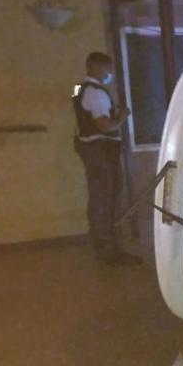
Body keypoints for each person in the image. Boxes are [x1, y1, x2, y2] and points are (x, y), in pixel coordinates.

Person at [72, 52, 141, 265]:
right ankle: (111, 251)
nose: (109, 74)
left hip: (89, 148)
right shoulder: (96, 92)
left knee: (98, 199)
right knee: (108, 200)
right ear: (96, 67)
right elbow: (105, 125)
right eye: (107, 69)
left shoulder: (78, 88)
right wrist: (122, 117)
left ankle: (103, 247)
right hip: (102, 151)